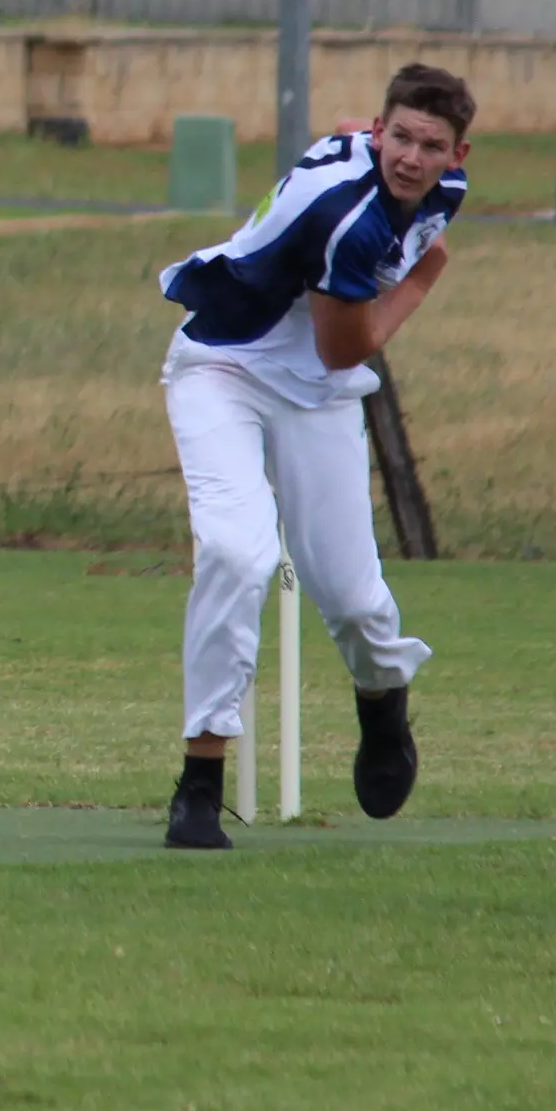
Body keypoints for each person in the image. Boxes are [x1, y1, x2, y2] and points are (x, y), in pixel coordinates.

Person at [155, 64, 474, 851]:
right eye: (398, 136)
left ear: (457, 153)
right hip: (223, 367)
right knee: (236, 553)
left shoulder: (442, 189)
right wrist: (427, 279)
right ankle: (199, 782)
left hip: (315, 395)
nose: (410, 156)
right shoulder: (349, 220)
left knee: (353, 597)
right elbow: (347, 347)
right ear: (376, 130)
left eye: (429, 145)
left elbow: (331, 361)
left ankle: (382, 704)